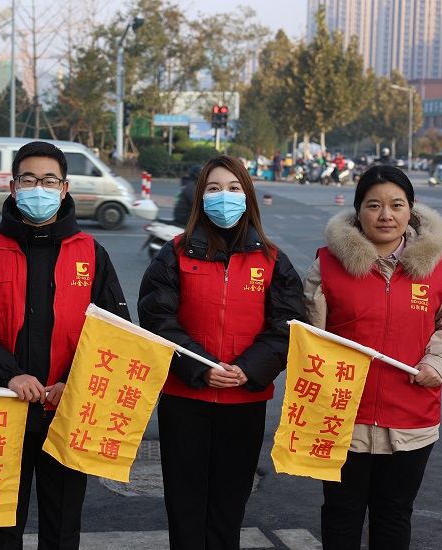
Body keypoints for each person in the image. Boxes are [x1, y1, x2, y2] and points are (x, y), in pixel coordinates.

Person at [0, 140, 130, 550]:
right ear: (13, 187)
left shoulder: (91, 254)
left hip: (66, 410)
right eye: (29, 179)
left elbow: (115, 333)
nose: (38, 188)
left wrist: (74, 384)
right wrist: (9, 375)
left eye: (49, 180)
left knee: (63, 525)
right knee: (2, 525)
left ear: (64, 189)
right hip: (0, 409)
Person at [137, 155, 305, 549]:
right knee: (185, 502)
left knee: (229, 504)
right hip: (184, 398)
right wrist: (201, 367)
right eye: (214, 189)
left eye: (234, 189)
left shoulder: (273, 260)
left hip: (244, 399)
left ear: (248, 197)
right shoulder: (173, 255)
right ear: (200, 197)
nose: (224, 197)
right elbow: (158, 319)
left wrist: (248, 369)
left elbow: (288, 326)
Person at [303, 165, 442, 549]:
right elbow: (309, 334)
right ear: (358, 210)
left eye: (397, 205)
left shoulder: (435, 266)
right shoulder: (327, 264)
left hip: (411, 418)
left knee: (394, 514)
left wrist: (437, 362)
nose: (386, 215)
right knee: (341, 513)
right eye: (374, 205)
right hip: (343, 415)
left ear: (410, 210)